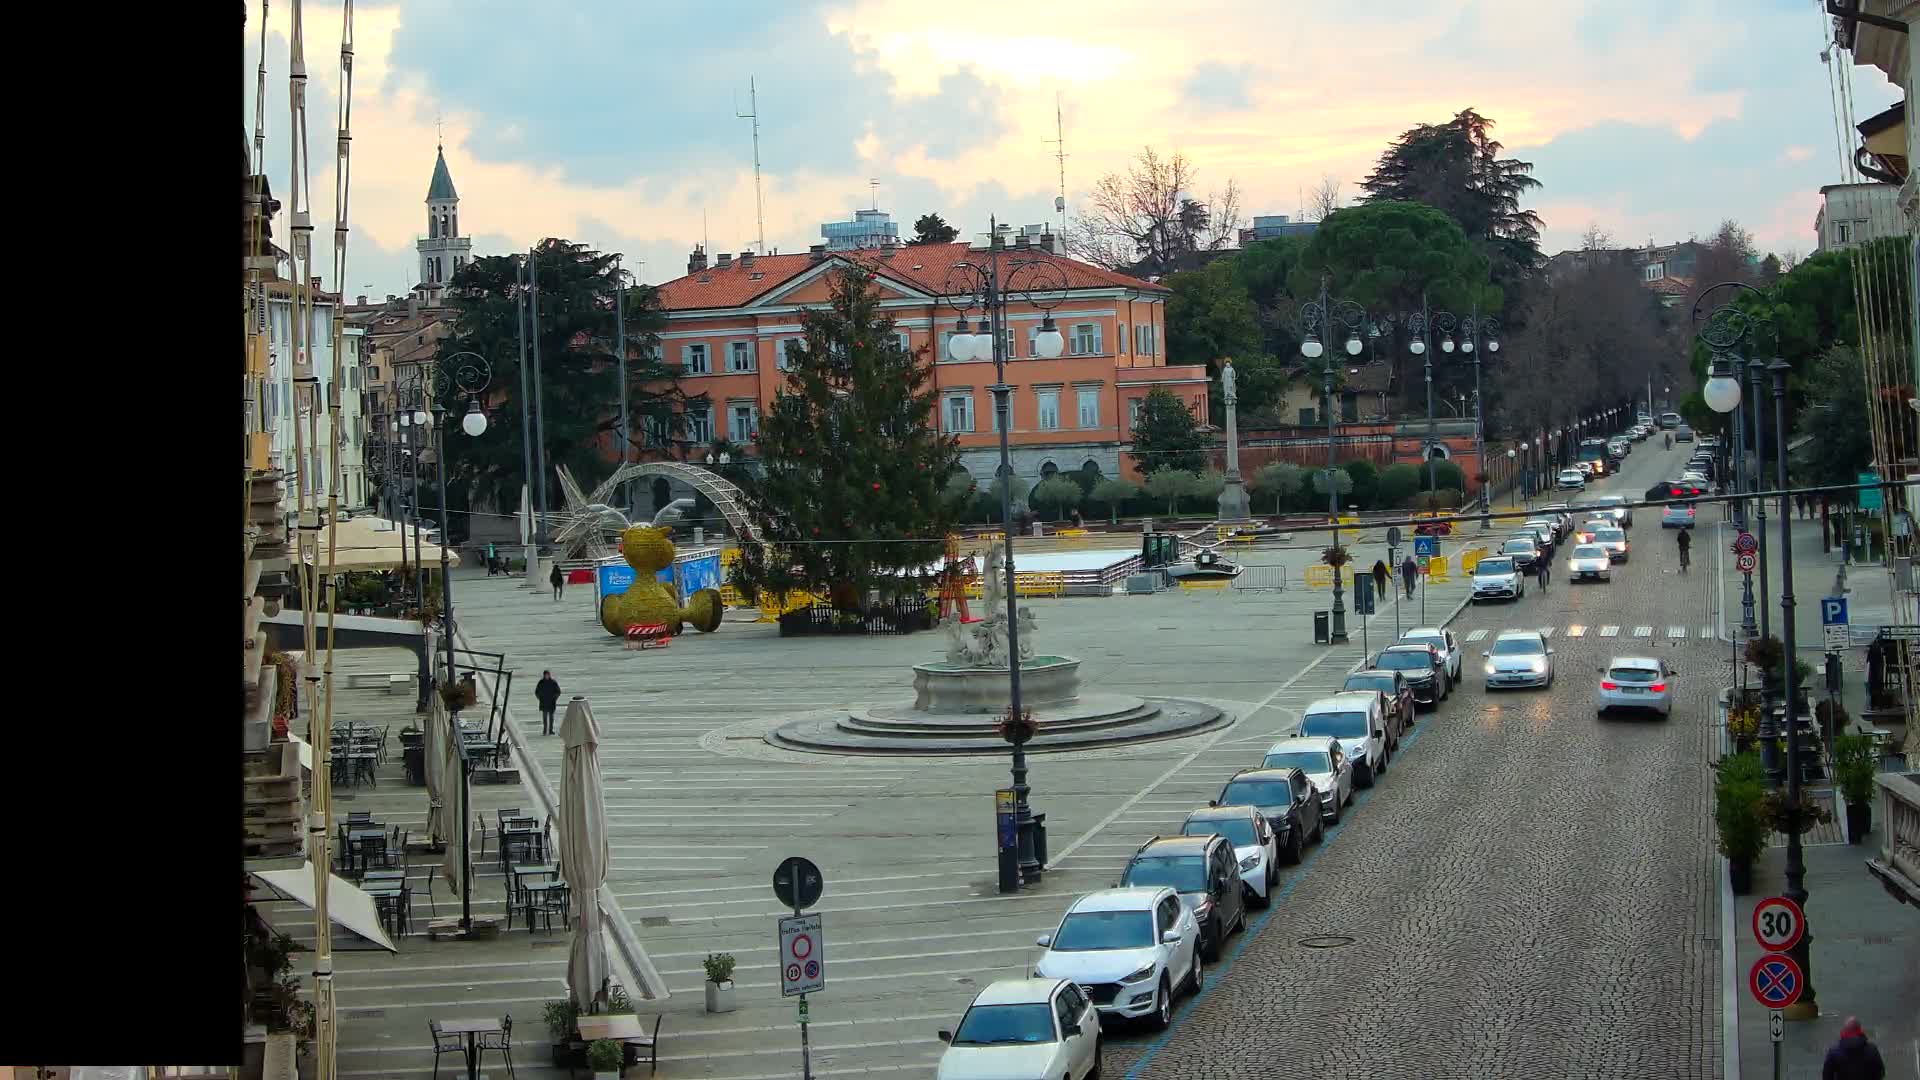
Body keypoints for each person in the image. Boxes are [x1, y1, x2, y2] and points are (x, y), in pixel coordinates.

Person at [534, 670, 562, 736]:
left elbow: (558, 691)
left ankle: (550, 730)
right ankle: (545, 730)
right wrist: (540, 698)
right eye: (545, 675)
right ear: (544, 675)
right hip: (544, 703)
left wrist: (555, 698)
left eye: (548, 675)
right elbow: (536, 692)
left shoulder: (553, 682)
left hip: (551, 703)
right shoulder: (541, 682)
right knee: (545, 718)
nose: (546, 676)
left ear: (549, 675)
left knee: (551, 718)